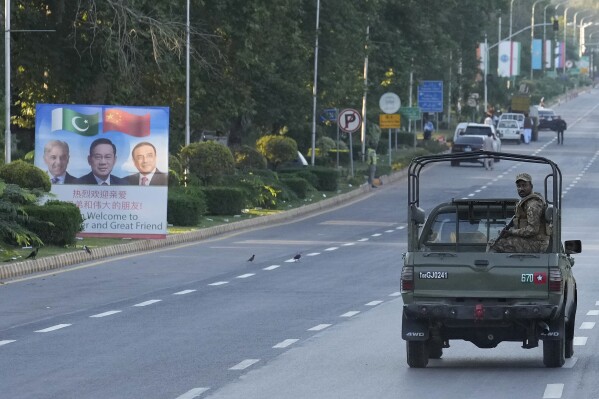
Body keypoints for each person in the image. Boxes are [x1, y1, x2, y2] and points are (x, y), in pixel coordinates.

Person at [488, 173, 550, 253]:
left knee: (494, 244)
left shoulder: (533, 204)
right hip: (531, 241)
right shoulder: (527, 202)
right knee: (498, 240)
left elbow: (532, 230)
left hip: (536, 244)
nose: (521, 189)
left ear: (531, 186)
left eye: (524, 185)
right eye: (519, 186)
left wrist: (512, 232)